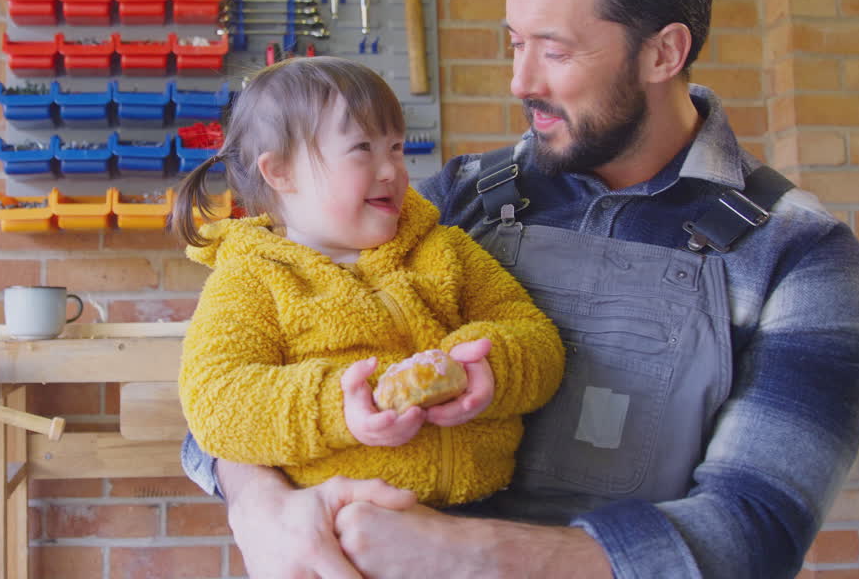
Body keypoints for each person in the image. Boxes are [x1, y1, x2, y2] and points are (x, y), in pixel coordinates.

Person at [179, 0, 859, 579]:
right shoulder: (453, 202)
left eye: (555, 51)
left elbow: (754, 533)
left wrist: (467, 555)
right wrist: (261, 507)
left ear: (664, 53)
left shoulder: (801, 258)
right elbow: (223, 405)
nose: (519, 80)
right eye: (515, 43)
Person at [171, 56, 564, 508]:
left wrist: (489, 368)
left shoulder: (445, 250)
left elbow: (537, 338)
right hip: (345, 531)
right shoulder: (251, 280)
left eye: (395, 148)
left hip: (486, 516)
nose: (390, 170)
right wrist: (342, 406)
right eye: (363, 148)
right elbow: (217, 403)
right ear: (280, 172)